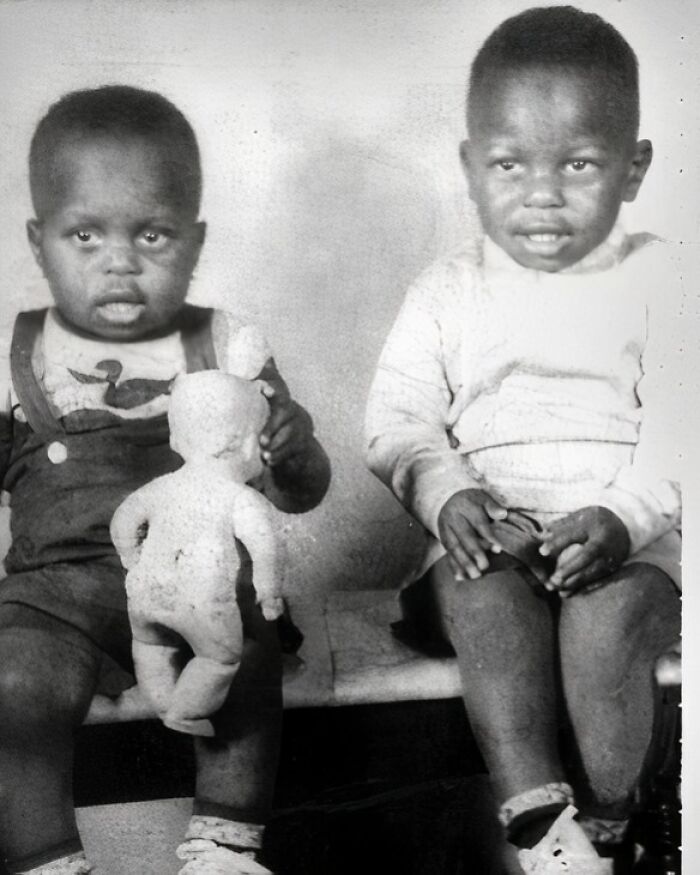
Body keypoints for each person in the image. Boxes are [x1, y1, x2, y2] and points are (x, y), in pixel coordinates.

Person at [365, 7, 682, 873]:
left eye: (578, 163)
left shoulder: (664, 278)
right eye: (511, 164)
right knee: (483, 596)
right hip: (492, 545)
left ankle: (610, 827)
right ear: (472, 168)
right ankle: (545, 832)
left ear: (633, 168)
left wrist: (622, 516)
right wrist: (447, 492)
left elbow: (685, 428)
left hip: (629, 545)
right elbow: (397, 420)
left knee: (606, 619)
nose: (543, 193)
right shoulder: (446, 289)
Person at [0, 85, 330, 875]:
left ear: (195, 239)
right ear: (39, 242)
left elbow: (301, 491)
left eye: (151, 234)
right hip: (54, 597)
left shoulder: (227, 344)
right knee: (10, 683)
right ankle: (47, 862)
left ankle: (223, 847)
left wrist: (293, 446)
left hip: (199, 582)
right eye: (86, 234)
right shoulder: (17, 358)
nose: (120, 261)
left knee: (243, 656)